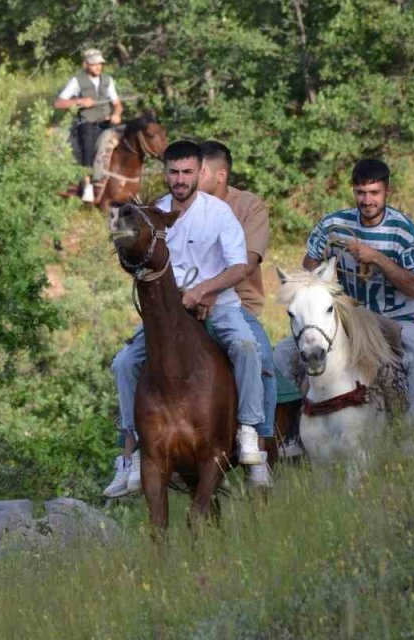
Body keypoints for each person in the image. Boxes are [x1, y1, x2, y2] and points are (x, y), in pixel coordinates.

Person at [104, 140, 265, 498]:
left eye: (187, 172)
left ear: (199, 173)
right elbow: (136, 259)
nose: (179, 179)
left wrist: (205, 291)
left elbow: (239, 265)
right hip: (169, 312)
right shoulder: (154, 212)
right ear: (166, 173)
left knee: (246, 345)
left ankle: (250, 431)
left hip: (218, 303)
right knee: (125, 362)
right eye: (173, 172)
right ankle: (131, 452)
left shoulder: (218, 212)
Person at [301, 158, 414, 428]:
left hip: (395, 318)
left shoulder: (403, 230)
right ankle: (291, 431)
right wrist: (327, 269)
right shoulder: (333, 224)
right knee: (284, 352)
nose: (367, 200)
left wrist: (377, 258)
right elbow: (308, 267)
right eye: (361, 192)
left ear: (387, 192)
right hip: (346, 316)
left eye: (374, 193)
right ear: (353, 191)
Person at [197, 140, 276, 487]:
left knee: (263, 359)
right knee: (135, 358)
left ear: (220, 174)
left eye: (199, 171)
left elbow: (247, 262)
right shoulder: (187, 207)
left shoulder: (250, 207)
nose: (190, 178)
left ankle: (260, 446)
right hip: (191, 302)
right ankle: (137, 452)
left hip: (237, 302)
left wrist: (210, 291)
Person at [53, 48, 124, 203]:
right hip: (87, 122)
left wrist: (116, 114)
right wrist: (79, 102)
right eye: (94, 64)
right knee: (88, 144)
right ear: (86, 65)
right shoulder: (77, 81)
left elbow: (117, 104)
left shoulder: (108, 80)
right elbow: (58, 103)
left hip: (106, 120)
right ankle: (87, 185)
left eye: (100, 64)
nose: (98, 67)